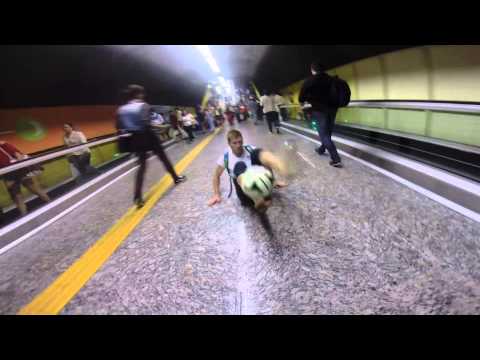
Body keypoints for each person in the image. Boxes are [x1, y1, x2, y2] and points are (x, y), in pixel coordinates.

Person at [116, 85, 186, 209]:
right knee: (163, 158)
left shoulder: (121, 109)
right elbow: (146, 123)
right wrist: (163, 127)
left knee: (141, 166)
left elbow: (119, 126)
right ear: (139, 94)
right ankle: (175, 178)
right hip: (148, 136)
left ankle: (137, 197)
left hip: (134, 140)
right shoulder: (143, 106)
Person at [208, 129, 288, 213]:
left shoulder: (249, 148)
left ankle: (281, 166)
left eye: (240, 142)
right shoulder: (226, 157)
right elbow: (216, 176)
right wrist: (216, 194)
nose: (238, 145)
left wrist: (273, 180)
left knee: (257, 153)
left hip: (261, 184)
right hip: (244, 192)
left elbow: (264, 163)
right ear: (229, 144)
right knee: (239, 165)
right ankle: (256, 198)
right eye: (234, 143)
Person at [299, 61, 343, 168]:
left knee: (323, 134)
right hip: (333, 109)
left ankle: (335, 158)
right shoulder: (332, 79)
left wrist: (310, 99)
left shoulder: (309, 81)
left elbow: (301, 98)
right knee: (328, 132)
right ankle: (322, 149)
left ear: (312, 70)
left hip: (319, 111)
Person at [0, 141, 50, 216]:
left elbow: (19, 156)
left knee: (32, 190)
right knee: (18, 196)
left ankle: (49, 203)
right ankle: (24, 216)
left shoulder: (4, 144)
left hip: (17, 171)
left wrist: (22, 170)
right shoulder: (4, 144)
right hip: (9, 174)